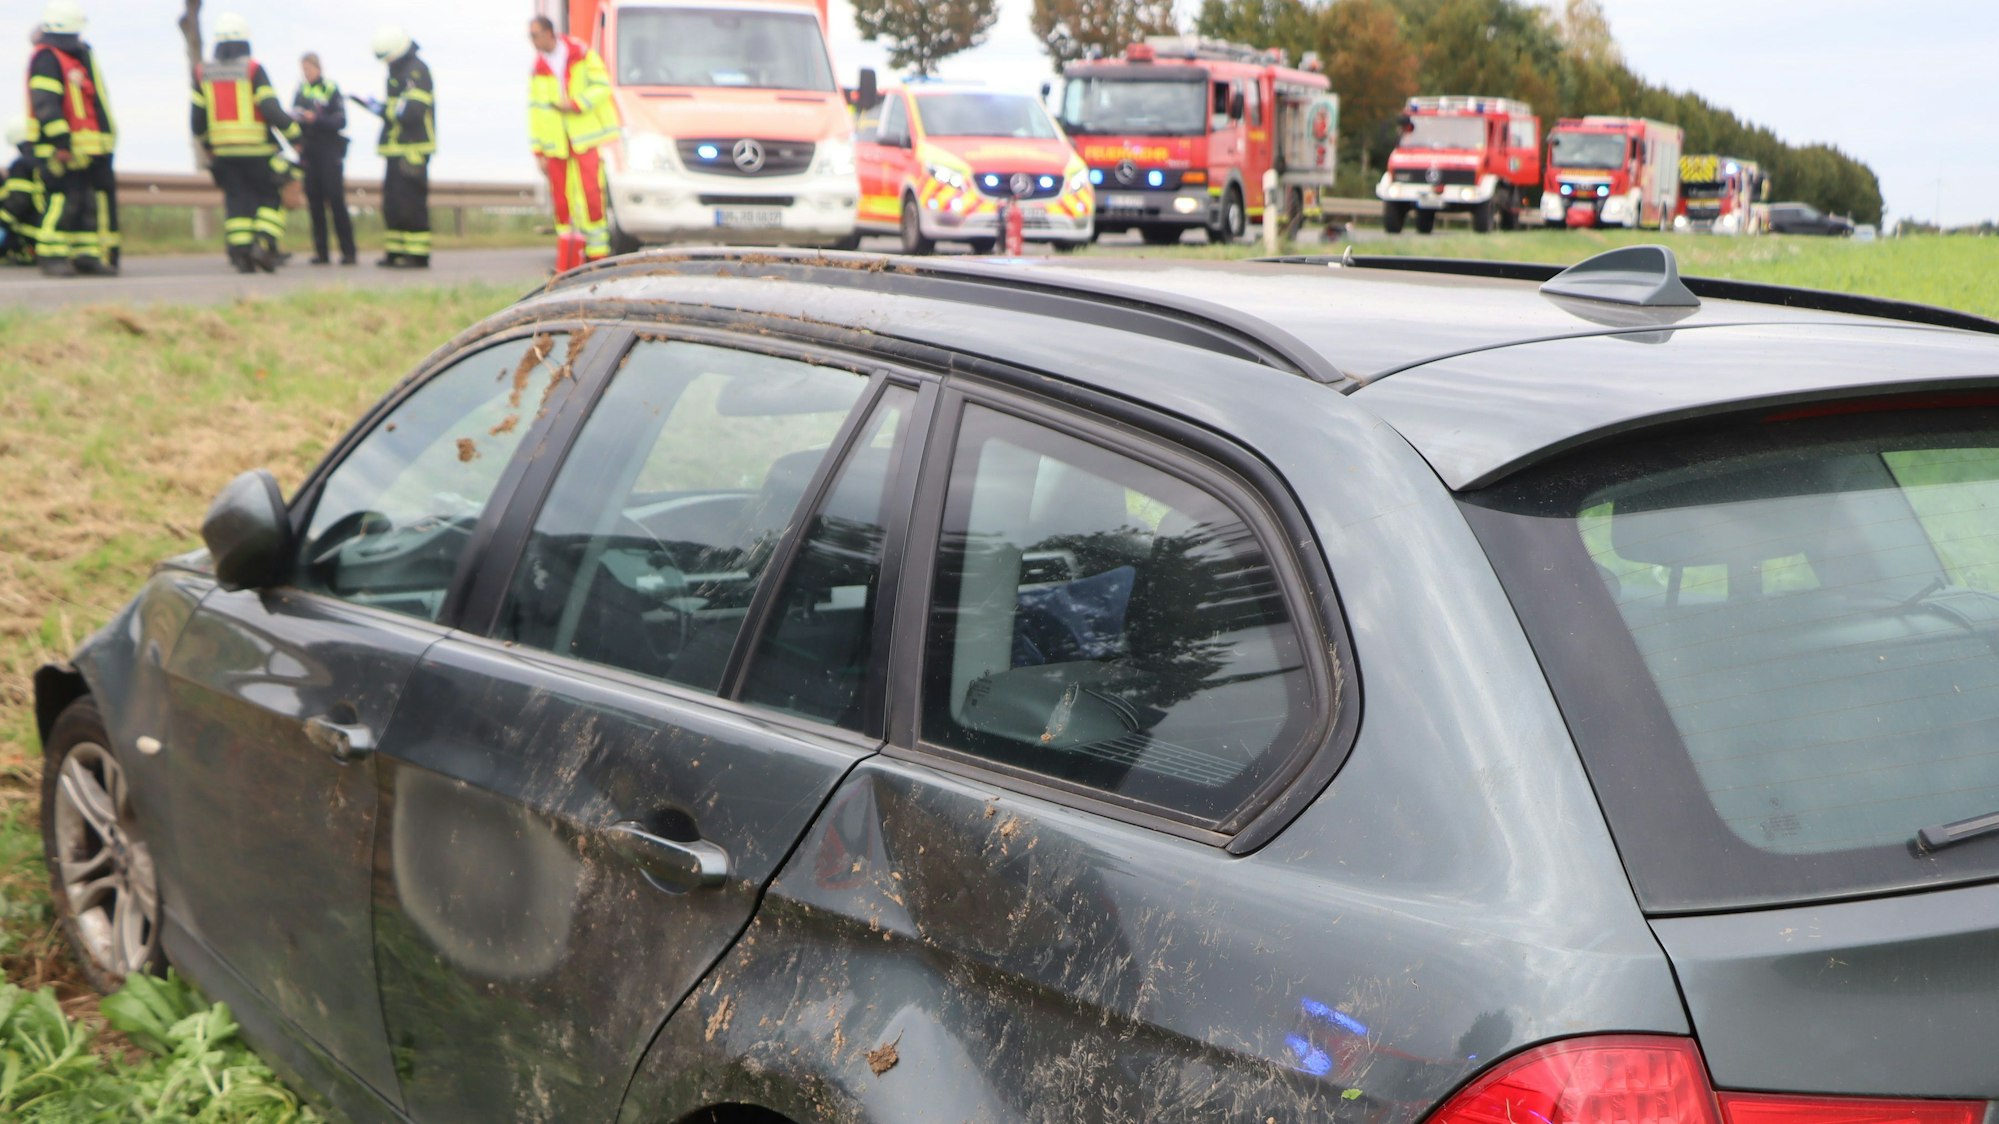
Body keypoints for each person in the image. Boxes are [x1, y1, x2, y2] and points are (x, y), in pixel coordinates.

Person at [193, 13, 302, 273]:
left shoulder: (202, 73)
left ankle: (241, 255)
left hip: (224, 153)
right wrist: (295, 137)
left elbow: (197, 119)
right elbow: (271, 108)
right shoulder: (252, 69)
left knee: (237, 202)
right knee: (270, 197)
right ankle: (263, 244)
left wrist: (209, 146)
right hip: (258, 150)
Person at [25, 0, 117, 277]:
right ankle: (51, 256)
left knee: (84, 202)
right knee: (61, 200)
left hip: (82, 149)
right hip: (58, 149)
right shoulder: (47, 58)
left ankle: (85, 255)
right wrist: (61, 143)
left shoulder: (72, 60)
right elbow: (46, 105)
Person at [528, 15, 619, 270]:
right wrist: (539, 152)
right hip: (555, 143)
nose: (532, 41)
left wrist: (577, 104)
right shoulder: (538, 68)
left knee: (591, 194)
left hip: (584, 138)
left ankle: (597, 255)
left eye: (534, 35)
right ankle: (569, 258)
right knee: (562, 201)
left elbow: (602, 86)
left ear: (549, 33)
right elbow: (535, 112)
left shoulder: (581, 54)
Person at [366, 25, 435, 268]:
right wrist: (381, 109)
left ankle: (417, 255)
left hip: (413, 150)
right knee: (393, 204)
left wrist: (385, 110)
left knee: (411, 203)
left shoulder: (417, 71)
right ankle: (395, 252)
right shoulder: (397, 72)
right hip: (395, 149)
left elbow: (412, 112)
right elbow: (399, 110)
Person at [292, 52, 356, 264]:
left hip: (329, 152)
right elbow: (292, 118)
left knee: (336, 202)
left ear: (318, 68)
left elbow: (340, 121)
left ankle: (348, 252)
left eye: (309, 69)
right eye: (303, 70)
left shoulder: (330, 88)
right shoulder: (301, 91)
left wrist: (316, 118)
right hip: (309, 154)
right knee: (314, 204)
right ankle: (322, 253)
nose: (306, 73)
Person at [1, 116, 47, 265]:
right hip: (52, 232)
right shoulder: (48, 160)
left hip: (31, 233)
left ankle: (23, 252)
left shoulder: (21, 165)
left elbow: (18, 202)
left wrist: (1, 224)